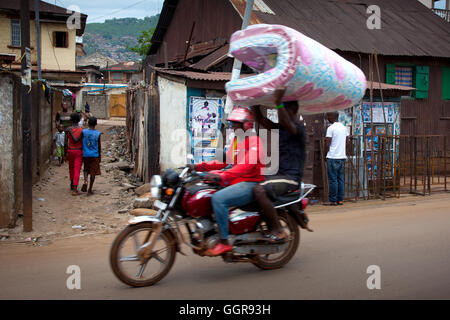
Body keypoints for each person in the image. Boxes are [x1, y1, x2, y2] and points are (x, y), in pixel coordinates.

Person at [190, 107, 265, 256]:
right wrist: (199, 166)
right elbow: (225, 161)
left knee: (219, 199)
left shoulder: (255, 142)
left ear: (247, 125)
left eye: (236, 124)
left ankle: (224, 241)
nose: (233, 127)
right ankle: (210, 229)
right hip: (235, 180)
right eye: (232, 124)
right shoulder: (237, 141)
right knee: (205, 190)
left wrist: (222, 176)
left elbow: (245, 167)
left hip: (250, 183)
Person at [251, 88, 312, 242]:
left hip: (290, 178)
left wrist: (278, 103)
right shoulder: (281, 128)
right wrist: (253, 104)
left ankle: (278, 229)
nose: (279, 113)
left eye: (283, 109)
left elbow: (286, 122)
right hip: (278, 175)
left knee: (259, 190)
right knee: (250, 183)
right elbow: (261, 120)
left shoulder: (298, 130)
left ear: (292, 111)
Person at [323, 112, 349, 206]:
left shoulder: (331, 128)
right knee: (340, 179)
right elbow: (347, 142)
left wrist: (325, 155)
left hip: (332, 157)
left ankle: (333, 200)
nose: (327, 119)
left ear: (332, 117)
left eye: (328, 116)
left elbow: (327, 143)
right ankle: (340, 200)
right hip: (341, 157)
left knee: (333, 179)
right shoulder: (344, 128)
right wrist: (343, 152)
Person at [81, 117, 101, 195]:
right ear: (96, 124)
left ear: (88, 123)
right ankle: (90, 189)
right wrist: (99, 157)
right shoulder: (98, 133)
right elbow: (99, 146)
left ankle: (85, 181)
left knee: (86, 169)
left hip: (85, 154)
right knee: (93, 172)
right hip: (94, 155)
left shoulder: (84, 132)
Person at [65, 112, 84, 196]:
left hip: (70, 150)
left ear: (71, 120)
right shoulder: (81, 130)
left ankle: (72, 183)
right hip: (78, 151)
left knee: (71, 168)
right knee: (77, 169)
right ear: (79, 120)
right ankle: (75, 189)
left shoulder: (68, 129)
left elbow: (66, 142)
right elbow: (82, 142)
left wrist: (65, 153)